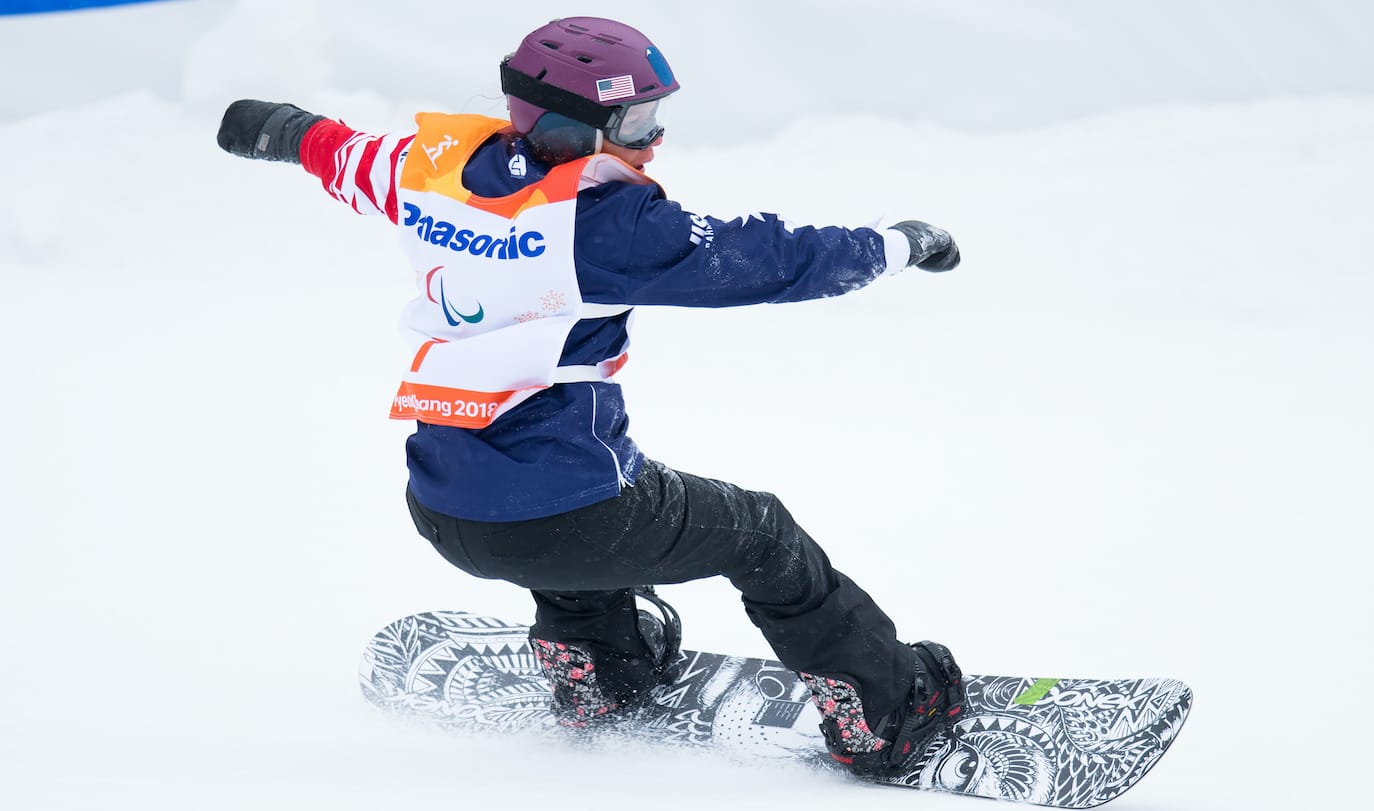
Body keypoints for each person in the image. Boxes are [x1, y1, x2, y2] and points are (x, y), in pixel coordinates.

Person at [217, 16, 964, 777]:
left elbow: (339, 155)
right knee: (760, 532)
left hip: (443, 506)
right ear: (572, 128)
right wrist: (900, 243)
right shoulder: (604, 225)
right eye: (637, 121)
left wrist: (277, 128)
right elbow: (773, 260)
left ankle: (599, 669)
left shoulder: (428, 169)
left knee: (586, 498)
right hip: (565, 514)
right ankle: (885, 710)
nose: (654, 139)